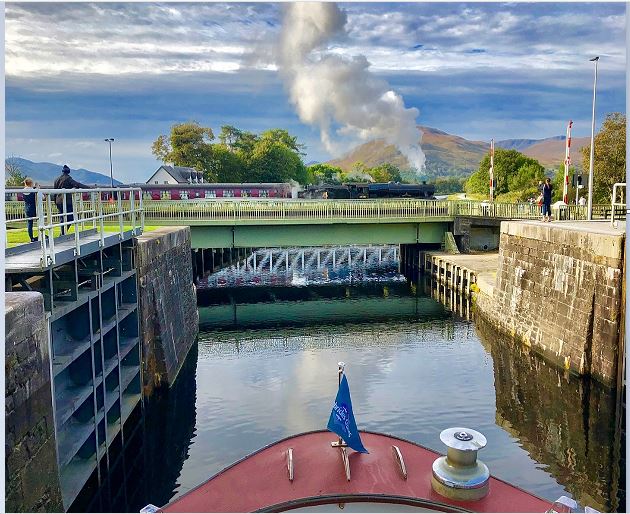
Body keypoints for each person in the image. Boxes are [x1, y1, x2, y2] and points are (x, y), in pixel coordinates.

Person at [53, 164, 88, 235]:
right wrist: (88, 188)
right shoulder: (68, 179)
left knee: (62, 217)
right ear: (68, 172)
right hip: (66, 201)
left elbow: (54, 192)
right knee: (70, 218)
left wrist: (55, 201)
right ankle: (62, 234)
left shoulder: (57, 179)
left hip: (58, 201)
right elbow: (77, 184)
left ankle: (62, 233)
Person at [22, 178, 38, 242]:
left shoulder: (23, 190)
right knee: (39, 221)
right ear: (31, 183)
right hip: (34, 208)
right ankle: (41, 235)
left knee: (29, 224)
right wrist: (37, 188)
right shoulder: (33, 190)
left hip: (27, 208)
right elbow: (42, 197)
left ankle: (31, 238)